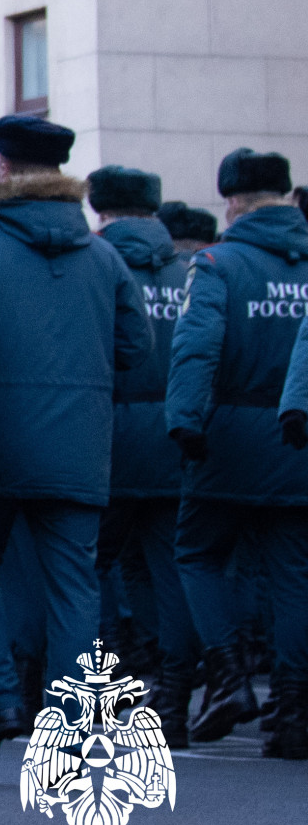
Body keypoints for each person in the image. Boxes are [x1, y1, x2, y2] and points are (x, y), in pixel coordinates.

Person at [0, 114, 150, 759]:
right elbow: (137, 347)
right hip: (82, 442)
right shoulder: (104, 254)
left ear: (1, 168)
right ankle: (74, 721)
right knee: (74, 580)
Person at [169, 148, 308, 754]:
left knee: (197, 553)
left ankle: (227, 674)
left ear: (231, 200)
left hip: (228, 437)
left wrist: (185, 421)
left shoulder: (218, 263)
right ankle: (294, 713)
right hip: (297, 441)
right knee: (293, 574)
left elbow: (196, 350)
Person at [83, 165, 197, 745]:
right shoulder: (187, 272)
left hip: (107, 439)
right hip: (177, 439)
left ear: (99, 209)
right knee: (172, 567)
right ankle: (174, 702)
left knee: (89, 567)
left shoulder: (93, 264)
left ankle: (99, 698)